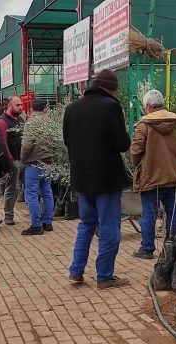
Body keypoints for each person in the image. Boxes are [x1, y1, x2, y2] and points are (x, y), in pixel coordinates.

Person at [63, 70, 131, 289]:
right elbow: (123, 144)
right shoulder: (111, 107)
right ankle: (104, 276)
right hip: (107, 180)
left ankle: (76, 272)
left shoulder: (72, 108)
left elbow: (66, 141)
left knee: (86, 224)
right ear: (111, 89)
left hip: (82, 179)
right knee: (110, 227)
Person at [131, 90, 176, 259]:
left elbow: (136, 151)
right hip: (173, 176)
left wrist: (136, 164)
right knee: (173, 212)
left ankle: (147, 249)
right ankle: (173, 248)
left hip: (151, 178)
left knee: (149, 213)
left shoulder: (144, 125)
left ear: (148, 106)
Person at [19, 99, 54, 236]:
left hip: (34, 162)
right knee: (47, 191)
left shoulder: (32, 123)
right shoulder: (50, 122)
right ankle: (47, 222)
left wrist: (23, 157)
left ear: (32, 109)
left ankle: (36, 225)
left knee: (31, 193)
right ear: (45, 108)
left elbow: (27, 144)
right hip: (48, 162)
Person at [0, 96, 25, 225]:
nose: (20, 107)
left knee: (29, 188)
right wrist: (9, 162)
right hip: (13, 161)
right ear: (9, 106)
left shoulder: (21, 119)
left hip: (24, 159)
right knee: (11, 189)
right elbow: (3, 144)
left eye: (21, 105)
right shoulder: (2, 122)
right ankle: (9, 216)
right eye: (17, 105)